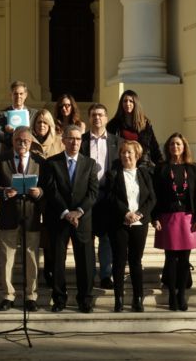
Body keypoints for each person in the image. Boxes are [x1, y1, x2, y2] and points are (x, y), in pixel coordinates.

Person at [44, 125, 99, 313]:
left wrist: (79, 212)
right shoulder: (52, 163)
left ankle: (85, 299)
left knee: (85, 261)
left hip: (83, 219)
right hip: (59, 218)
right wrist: (66, 212)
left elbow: (93, 193)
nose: (75, 142)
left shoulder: (90, 164)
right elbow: (52, 191)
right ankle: (59, 299)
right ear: (63, 141)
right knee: (58, 261)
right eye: (71, 138)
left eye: (78, 139)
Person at [0, 127, 44, 312]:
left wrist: (39, 192)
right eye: (18, 140)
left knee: (31, 256)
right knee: (7, 257)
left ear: (31, 142)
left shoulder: (39, 161)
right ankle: (8, 295)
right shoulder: (0, 160)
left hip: (31, 215)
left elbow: (46, 187)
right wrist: (4, 192)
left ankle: (31, 295)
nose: (22, 144)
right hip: (8, 214)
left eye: (26, 141)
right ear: (13, 141)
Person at [152, 133, 196, 311]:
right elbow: (155, 195)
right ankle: (172, 296)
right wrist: (155, 217)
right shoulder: (161, 168)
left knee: (184, 260)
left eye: (179, 144)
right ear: (168, 147)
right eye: (172, 144)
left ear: (184, 147)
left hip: (187, 218)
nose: (175, 147)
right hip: (168, 217)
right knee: (171, 259)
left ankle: (182, 295)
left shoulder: (193, 168)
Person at [104, 141, 156, 312]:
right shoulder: (113, 174)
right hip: (119, 222)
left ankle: (137, 299)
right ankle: (118, 299)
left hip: (140, 223)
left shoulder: (145, 173)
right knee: (119, 261)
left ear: (137, 155)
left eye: (129, 153)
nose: (126, 156)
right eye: (123, 153)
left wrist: (140, 214)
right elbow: (110, 197)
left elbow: (151, 198)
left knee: (136, 262)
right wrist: (126, 213)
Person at [80, 104, 120, 290]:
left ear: (106, 118)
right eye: (94, 115)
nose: (97, 118)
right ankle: (89, 274)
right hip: (87, 194)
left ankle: (106, 275)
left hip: (107, 195)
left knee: (105, 237)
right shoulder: (81, 141)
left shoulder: (116, 142)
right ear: (89, 118)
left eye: (101, 115)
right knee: (88, 237)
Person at [29, 108, 64, 287]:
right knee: (37, 236)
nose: (41, 125)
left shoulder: (59, 142)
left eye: (45, 122)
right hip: (33, 197)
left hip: (54, 197)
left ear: (50, 125)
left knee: (52, 236)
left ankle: (51, 270)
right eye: (38, 122)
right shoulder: (28, 141)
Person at [106, 90, 162, 168]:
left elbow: (154, 147)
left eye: (131, 101)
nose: (127, 104)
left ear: (136, 103)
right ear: (121, 104)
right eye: (125, 101)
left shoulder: (145, 125)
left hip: (142, 166)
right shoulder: (113, 125)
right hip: (121, 165)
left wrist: (161, 165)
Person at [0, 81, 38, 151]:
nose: (18, 96)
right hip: (10, 152)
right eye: (15, 94)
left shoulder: (34, 113)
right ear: (11, 95)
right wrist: (9, 133)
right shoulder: (2, 114)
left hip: (30, 152)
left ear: (25, 95)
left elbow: (37, 133)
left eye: (21, 94)